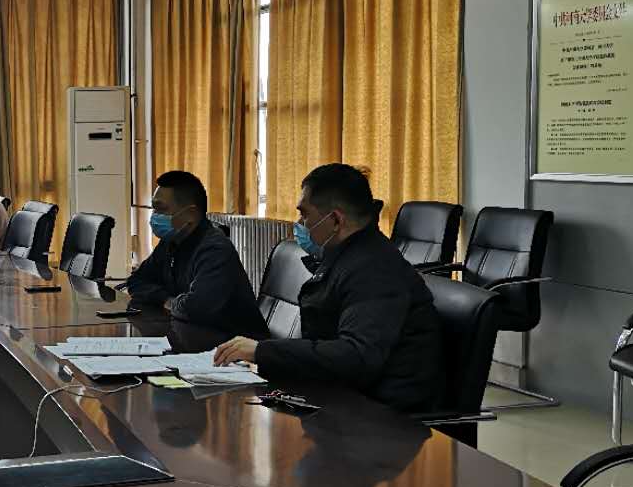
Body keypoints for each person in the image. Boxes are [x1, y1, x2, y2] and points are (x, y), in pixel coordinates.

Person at [214, 163, 443, 412]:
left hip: (379, 415)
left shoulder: (375, 270)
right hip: (342, 396)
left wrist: (262, 352)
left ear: (335, 220)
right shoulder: (348, 256)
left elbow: (357, 356)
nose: (299, 223)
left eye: (305, 214)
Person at [126, 170, 266, 338]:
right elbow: (136, 281)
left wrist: (167, 301)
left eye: (161, 209)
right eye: (154, 209)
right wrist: (165, 299)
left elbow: (195, 309)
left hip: (235, 345)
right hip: (191, 334)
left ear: (190, 214)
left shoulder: (215, 249)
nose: (154, 217)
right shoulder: (171, 241)